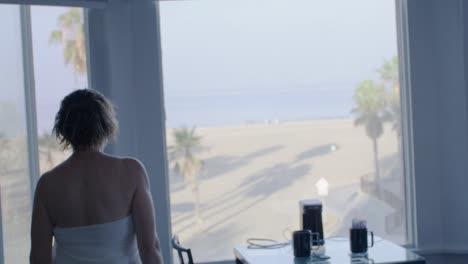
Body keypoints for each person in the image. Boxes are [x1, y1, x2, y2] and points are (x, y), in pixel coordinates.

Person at [30, 89, 163, 264]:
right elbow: (150, 249)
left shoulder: (47, 185)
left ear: (64, 129)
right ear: (106, 126)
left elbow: (39, 259)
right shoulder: (132, 172)